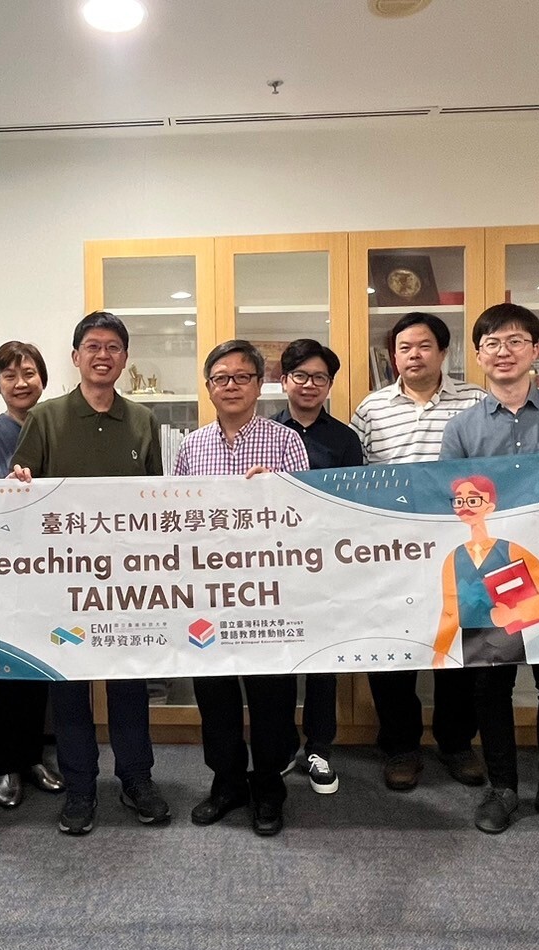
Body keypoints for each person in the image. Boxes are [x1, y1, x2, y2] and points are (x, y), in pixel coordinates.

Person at [438, 302, 539, 842]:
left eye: (514, 341)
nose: (502, 352)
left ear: (536, 349)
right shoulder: (461, 427)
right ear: (478, 356)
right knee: (490, 683)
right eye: (491, 344)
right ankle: (502, 786)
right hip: (489, 575)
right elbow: (453, 503)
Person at [10, 311, 170, 836]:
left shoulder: (144, 421)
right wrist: (19, 483)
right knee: (70, 687)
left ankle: (136, 780)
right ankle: (79, 789)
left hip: (128, 582)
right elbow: (21, 496)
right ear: (76, 357)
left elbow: (156, 504)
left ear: (125, 358)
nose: (103, 355)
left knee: (129, 685)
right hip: (64, 581)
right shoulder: (47, 417)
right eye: (93, 346)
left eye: (114, 347)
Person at [176, 340, 309, 837]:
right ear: (209, 387)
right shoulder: (192, 446)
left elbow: (305, 517)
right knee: (215, 696)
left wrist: (278, 488)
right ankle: (227, 782)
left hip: (268, 590)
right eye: (220, 378)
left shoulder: (285, 443)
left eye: (241, 377)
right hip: (209, 592)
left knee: (272, 695)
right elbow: (175, 524)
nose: (230, 385)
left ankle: (270, 787)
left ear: (259, 385)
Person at [349, 312, 487, 791]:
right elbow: (359, 477)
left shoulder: (476, 401)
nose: (413, 355)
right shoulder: (371, 408)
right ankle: (400, 745)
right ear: (394, 356)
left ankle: (455, 742)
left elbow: (493, 470)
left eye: (424, 346)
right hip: (393, 550)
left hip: (460, 545)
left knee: (460, 649)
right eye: (404, 348)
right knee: (393, 651)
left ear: (443, 352)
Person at [429, 474, 539, 835]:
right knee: (489, 698)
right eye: (459, 500)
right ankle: (503, 789)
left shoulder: (512, 549)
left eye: (474, 499)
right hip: (477, 640)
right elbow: (450, 611)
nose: (465, 505)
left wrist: (516, 613)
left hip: (528, 634)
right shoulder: (453, 556)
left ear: (491, 506)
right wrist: (436, 654)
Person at [0, 341, 65, 810]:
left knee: (42, 666)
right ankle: (7, 766)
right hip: (0, 571)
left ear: (43, 377)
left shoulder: (60, 428)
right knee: (3, 670)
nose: (21, 383)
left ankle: (36, 757)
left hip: (53, 568)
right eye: (9, 376)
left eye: (29, 373)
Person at [271, 338, 362, 795]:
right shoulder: (264, 432)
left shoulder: (345, 439)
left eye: (320, 378)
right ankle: (285, 746)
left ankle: (319, 747)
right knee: (283, 661)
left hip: (327, 565)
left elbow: (354, 506)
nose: (310, 385)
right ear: (283, 380)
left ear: (330, 385)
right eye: (300, 376)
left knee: (324, 664)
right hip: (275, 568)